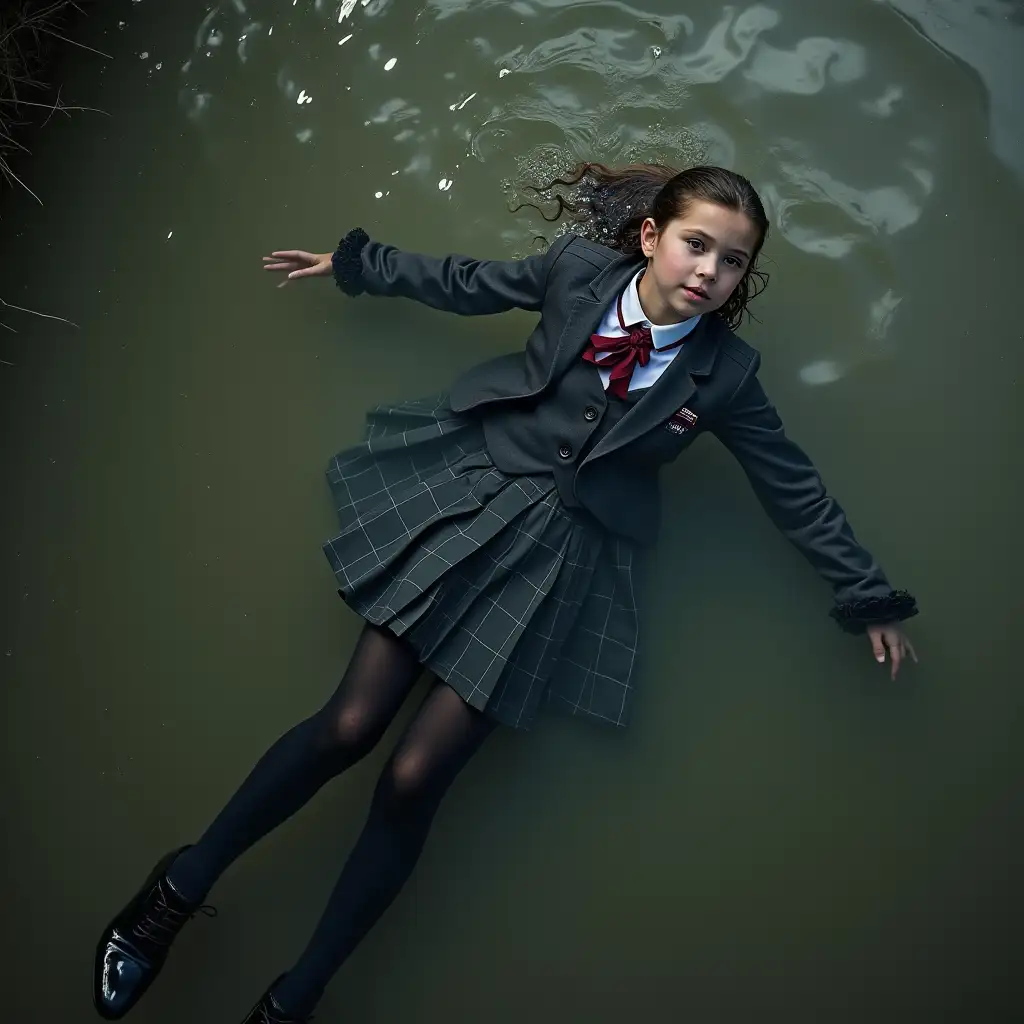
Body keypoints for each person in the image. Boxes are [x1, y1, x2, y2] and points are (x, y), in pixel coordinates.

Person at [92, 163, 918, 1022]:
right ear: (651, 237)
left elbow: (793, 485)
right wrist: (355, 266)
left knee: (414, 779)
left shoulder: (727, 376)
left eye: (734, 262)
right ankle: (175, 891)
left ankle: (296, 997)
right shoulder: (574, 272)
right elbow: (467, 284)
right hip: (477, 495)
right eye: (696, 245)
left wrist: (869, 596)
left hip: (566, 560)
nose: (709, 272)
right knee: (349, 725)